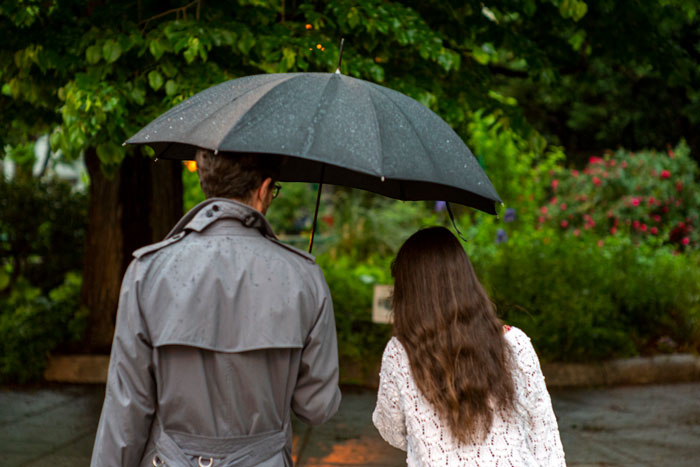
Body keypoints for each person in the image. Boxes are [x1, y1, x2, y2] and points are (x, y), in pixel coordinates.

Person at [91, 149, 341, 467]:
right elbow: (316, 408)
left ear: (203, 179)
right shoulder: (304, 276)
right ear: (264, 189)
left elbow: (125, 411)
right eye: (274, 191)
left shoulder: (149, 271)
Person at [372, 227, 566, 466]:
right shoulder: (514, 343)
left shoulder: (400, 354)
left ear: (409, 292)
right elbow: (544, 436)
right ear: (466, 280)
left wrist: (430, 438)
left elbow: (390, 428)